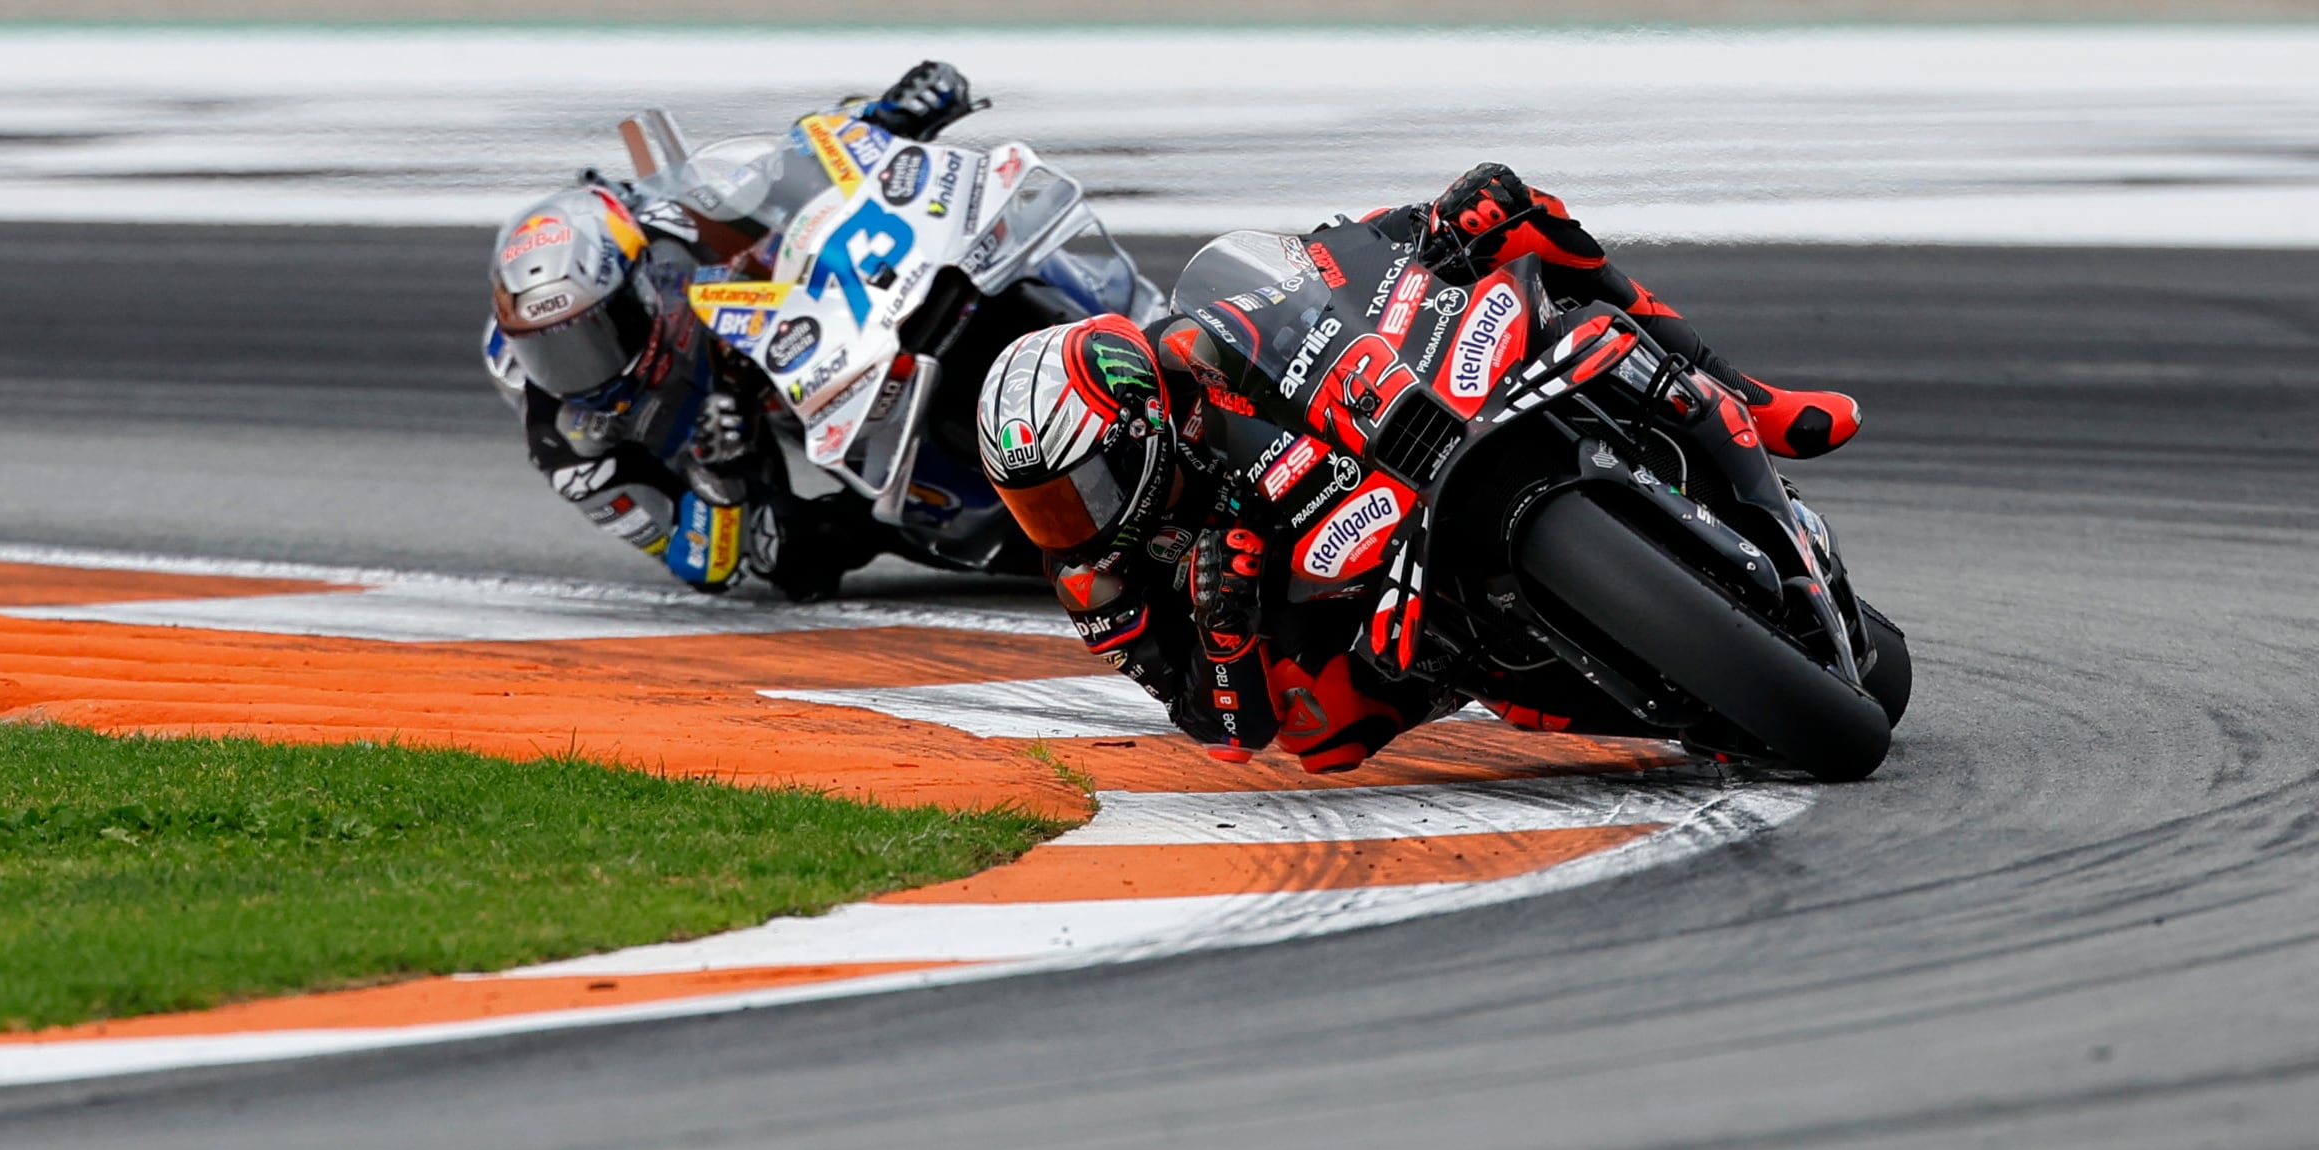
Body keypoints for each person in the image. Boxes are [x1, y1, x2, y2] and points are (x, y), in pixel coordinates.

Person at [976, 162, 1863, 771]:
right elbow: (1226, 729)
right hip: (1344, 597)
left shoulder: (1196, 347)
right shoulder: (1099, 585)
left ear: (1139, 425)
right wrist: (1224, 627)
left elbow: (1323, 264)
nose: (1069, 526)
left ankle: (1754, 400)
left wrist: (1437, 223)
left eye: (1077, 488)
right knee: (1321, 739)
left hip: (1399, 425)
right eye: (1041, 506)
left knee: (1522, 216)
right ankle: (1538, 672)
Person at [483, 61, 983, 602]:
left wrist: (888, 116)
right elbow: (698, 565)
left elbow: (784, 168)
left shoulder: (668, 231)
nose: (579, 371)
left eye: (591, 335)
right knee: (788, 560)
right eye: (549, 351)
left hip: (811, 327)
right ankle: (924, 519)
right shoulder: (568, 442)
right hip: (730, 434)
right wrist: (717, 478)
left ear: (638, 290)